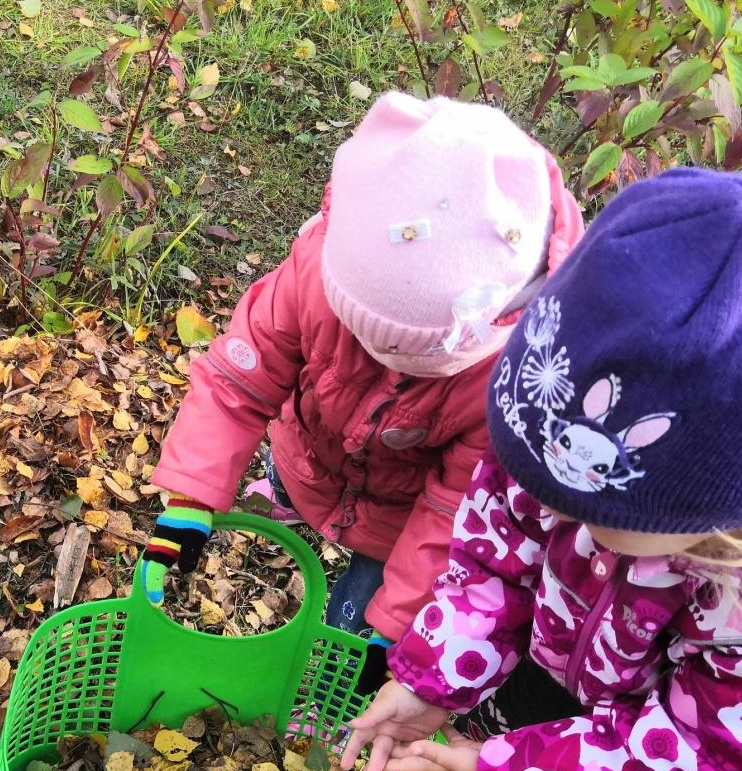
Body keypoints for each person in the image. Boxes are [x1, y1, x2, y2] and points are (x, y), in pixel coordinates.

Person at [339, 168, 742, 771]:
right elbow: (492, 554)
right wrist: (437, 678)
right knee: (571, 703)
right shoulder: (555, 452)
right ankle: (570, 705)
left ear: (726, 528)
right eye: (526, 471)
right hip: (590, 633)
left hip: (710, 734)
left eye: (579, 507)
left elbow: (699, 756)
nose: (536, 504)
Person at [144, 90, 583, 674]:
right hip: (314, 444)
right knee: (294, 471)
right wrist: (192, 494)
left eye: (415, 359)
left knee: (357, 629)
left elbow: (452, 507)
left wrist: (398, 620)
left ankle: (338, 677)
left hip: (400, 519)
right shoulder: (311, 276)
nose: (388, 367)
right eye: (366, 339)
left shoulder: (505, 385)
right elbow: (236, 385)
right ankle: (290, 495)